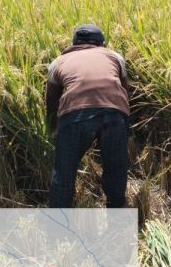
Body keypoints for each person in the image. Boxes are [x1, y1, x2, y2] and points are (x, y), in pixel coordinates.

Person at [45, 25, 130, 207]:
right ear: (102, 44)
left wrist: (53, 126)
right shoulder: (115, 57)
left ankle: (59, 227)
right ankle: (117, 221)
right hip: (114, 112)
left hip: (75, 114)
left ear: (74, 44)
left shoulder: (58, 62)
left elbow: (51, 97)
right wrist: (123, 121)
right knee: (116, 169)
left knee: (64, 173)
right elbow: (124, 89)